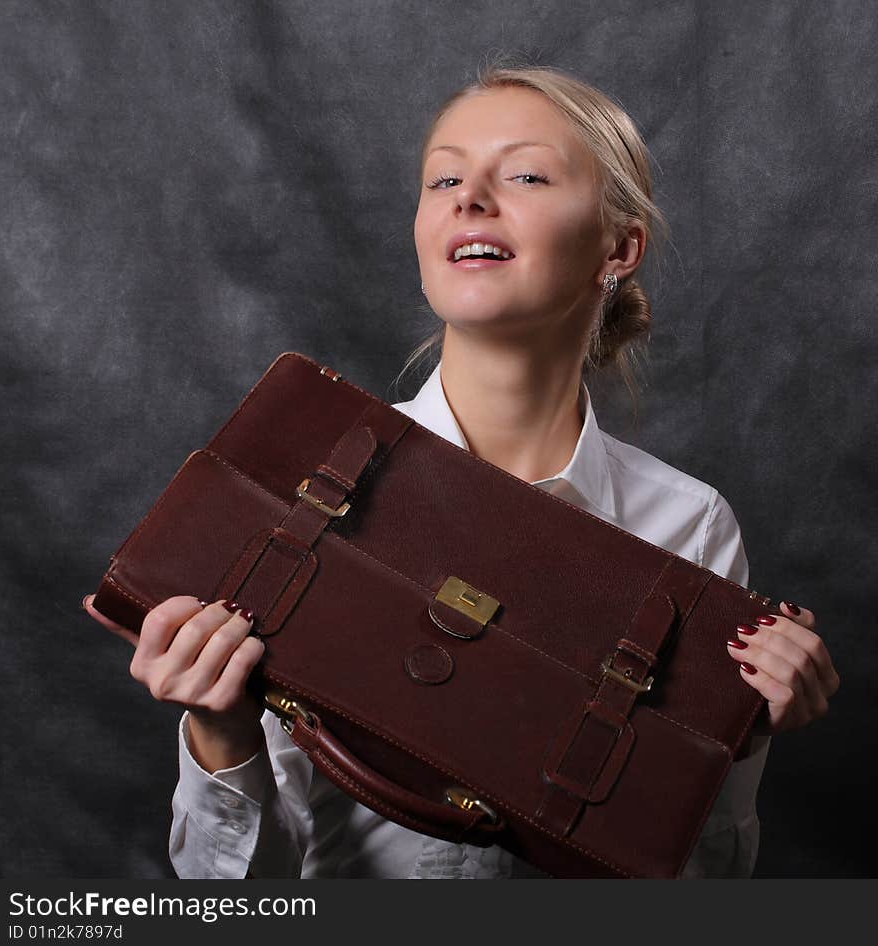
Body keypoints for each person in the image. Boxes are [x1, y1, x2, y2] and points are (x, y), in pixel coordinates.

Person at [83, 64, 840, 878]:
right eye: (444, 176)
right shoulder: (298, 473)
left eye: (525, 174)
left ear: (618, 247)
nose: (468, 197)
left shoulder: (692, 526)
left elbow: (704, 882)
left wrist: (737, 737)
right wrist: (219, 735)